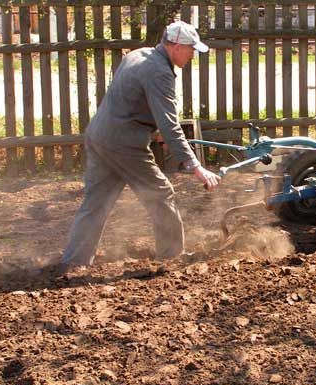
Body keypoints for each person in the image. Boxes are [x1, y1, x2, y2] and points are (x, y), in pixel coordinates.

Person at [61, 21, 220, 268]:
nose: (193, 54)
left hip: (99, 136)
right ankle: (172, 258)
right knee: (161, 193)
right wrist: (194, 165)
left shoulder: (138, 55)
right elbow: (170, 125)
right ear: (176, 46)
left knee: (95, 203)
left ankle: (73, 262)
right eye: (191, 49)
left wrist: (148, 125)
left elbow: (129, 97)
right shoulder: (160, 72)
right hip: (124, 144)